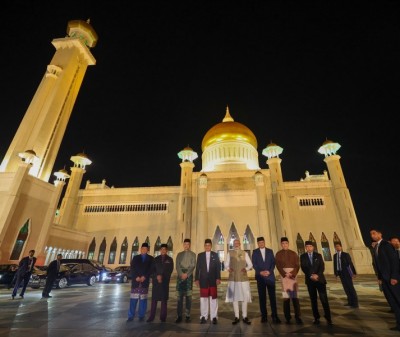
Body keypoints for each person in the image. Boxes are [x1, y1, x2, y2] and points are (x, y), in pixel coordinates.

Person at [370, 228, 400, 332]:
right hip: (384, 279)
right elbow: (378, 264)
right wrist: (379, 278)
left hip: (392, 279)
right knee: (393, 302)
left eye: (374, 233)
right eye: (371, 234)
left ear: (380, 234)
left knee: (398, 300)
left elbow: (394, 261)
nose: (372, 236)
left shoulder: (386, 245)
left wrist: (394, 277)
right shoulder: (376, 247)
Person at [300, 241, 333, 325]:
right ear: (305, 248)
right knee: (313, 300)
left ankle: (328, 317)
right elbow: (304, 268)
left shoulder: (318, 255)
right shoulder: (303, 256)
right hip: (310, 281)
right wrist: (311, 275)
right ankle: (316, 317)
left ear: (313, 247)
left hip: (320, 280)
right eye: (307, 246)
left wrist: (317, 275)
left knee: (324, 299)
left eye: (310, 246)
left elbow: (322, 267)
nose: (309, 248)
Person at [251, 236, 281, 323]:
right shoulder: (255, 252)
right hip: (260, 277)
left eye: (262, 242)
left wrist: (269, 271)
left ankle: (274, 315)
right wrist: (260, 272)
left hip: (270, 277)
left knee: (272, 297)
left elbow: (273, 263)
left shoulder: (270, 251)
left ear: (264, 242)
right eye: (259, 243)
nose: (261, 244)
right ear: (258, 243)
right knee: (262, 297)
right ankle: (264, 315)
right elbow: (254, 263)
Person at [275, 237, 303, 324]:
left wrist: (293, 273)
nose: (284, 245)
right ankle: (287, 317)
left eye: (286, 243)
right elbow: (278, 265)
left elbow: (297, 265)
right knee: (286, 297)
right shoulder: (278, 254)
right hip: (284, 277)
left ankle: (298, 316)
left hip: (292, 276)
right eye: (283, 244)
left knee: (295, 297)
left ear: (288, 244)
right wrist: (284, 274)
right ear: (281, 244)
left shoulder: (293, 253)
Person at [225, 238, 253, 325]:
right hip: (233, 278)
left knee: (244, 297)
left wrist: (247, 269)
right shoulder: (230, 253)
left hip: (243, 278)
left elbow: (250, 264)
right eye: (235, 243)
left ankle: (245, 316)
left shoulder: (245, 253)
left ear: (240, 244)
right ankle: (236, 316)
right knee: (234, 297)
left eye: (237, 243)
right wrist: (228, 269)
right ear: (233, 244)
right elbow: (226, 264)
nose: (236, 244)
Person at [194, 238, 221, 324]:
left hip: (213, 280)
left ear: (211, 246)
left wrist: (218, 278)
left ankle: (214, 317)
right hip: (203, 280)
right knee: (203, 299)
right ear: (204, 246)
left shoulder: (215, 255)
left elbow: (218, 268)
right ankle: (203, 316)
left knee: (213, 299)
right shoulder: (200, 255)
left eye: (209, 245)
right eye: (206, 245)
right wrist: (196, 279)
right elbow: (197, 268)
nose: (207, 247)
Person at [127, 242, 154, 322]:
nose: (144, 250)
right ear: (140, 249)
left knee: (143, 299)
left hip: (144, 282)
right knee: (133, 299)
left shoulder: (151, 259)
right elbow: (132, 268)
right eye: (142, 248)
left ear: (148, 250)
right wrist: (136, 277)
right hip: (136, 282)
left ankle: (141, 315)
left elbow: (151, 269)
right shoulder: (135, 257)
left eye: (145, 249)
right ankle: (131, 315)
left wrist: (144, 276)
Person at [147, 243, 174, 323]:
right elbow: (152, 270)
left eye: (164, 249)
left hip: (164, 282)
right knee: (154, 300)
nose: (163, 250)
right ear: (160, 250)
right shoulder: (155, 259)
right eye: (162, 249)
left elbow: (170, 271)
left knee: (164, 300)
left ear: (167, 251)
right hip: (156, 282)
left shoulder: (170, 260)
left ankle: (163, 317)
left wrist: (162, 277)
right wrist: (156, 276)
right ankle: (151, 316)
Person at [175, 238, 197, 323]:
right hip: (180, 277)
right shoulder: (179, 254)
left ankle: (187, 315)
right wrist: (181, 274)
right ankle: (179, 315)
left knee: (189, 297)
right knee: (179, 297)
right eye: (185, 244)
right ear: (183, 245)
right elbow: (177, 266)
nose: (186, 245)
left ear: (190, 245)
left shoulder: (193, 254)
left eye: (188, 244)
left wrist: (186, 274)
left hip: (188, 277)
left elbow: (193, 265)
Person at [333, 243, 358, 308]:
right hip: (341, 273)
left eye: (338, 246)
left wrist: (353, 273)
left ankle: (355, 303)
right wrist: (336, 274)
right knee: (346, 288)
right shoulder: (335, 256)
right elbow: (335, 265)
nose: (337, 248)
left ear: (341, 247)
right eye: (336, 247)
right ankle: (350, 302)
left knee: (350, 287)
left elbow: (350, 264)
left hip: (347, 273)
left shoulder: (345, 254)